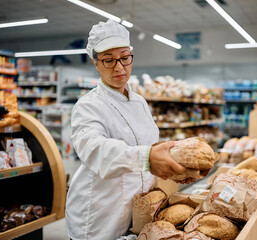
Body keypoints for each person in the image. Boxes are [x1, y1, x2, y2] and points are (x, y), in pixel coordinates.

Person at [65, 19, 191, 239]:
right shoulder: (88, 106)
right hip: (100, 216)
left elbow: (149, 145)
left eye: (124, 58)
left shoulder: (140, 102)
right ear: (95, 63)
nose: (119, 67)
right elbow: (95, 150)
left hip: (138, 210)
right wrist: (148, 158)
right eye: (108, 60)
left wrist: (173, 165)